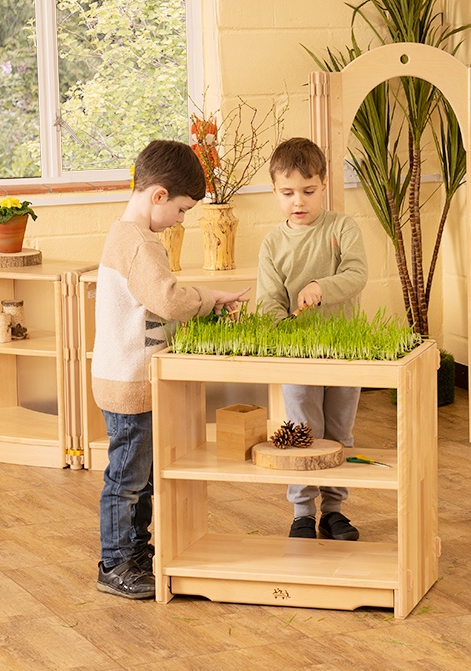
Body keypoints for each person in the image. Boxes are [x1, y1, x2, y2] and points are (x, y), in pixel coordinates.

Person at [92, 140, 249, 598]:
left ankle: (135, 552)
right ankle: (116, 562)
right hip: (130, 384)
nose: (181, 220)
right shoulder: (139, 243)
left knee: (139, 478)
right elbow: (168, 298)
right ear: (158, 196)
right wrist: (209, 298)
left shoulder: (128, 236)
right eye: (181, 210)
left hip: (132, 380)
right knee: (127, 480)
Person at [256, 137, 369, 541]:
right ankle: (302, 512)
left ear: (323, 185)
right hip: (297, 355)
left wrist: (321, 286)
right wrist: (279, 327)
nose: (297, 201)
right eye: (287, 193)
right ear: (274, 191)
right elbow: (269, 299)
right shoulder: (272, 243)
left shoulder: (341, 227)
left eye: (307, 191)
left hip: (344, 352)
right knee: (301, 432)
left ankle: (334, 510)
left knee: (340, 431)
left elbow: (356, 275)